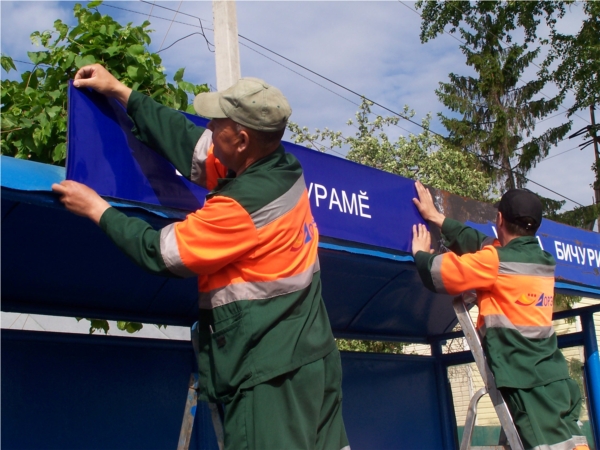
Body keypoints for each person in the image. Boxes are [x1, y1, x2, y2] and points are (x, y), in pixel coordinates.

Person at [52, 64, 349, 450]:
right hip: (314, 359)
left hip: (270, 376)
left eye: (216, 122)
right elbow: (191, 144)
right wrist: (122, 92)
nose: (208, 127)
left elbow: (162, 253)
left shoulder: (241, 205)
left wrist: (96, 208)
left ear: (241, 139)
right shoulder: (282, 167)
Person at [410, 180, 588, 450]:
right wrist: (437, 217)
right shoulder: (542, 261)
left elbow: (441, 274)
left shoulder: (495, 262)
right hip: (556, 379)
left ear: (500, 218)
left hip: (525, 382)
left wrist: (421, 254)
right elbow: (482, 243)